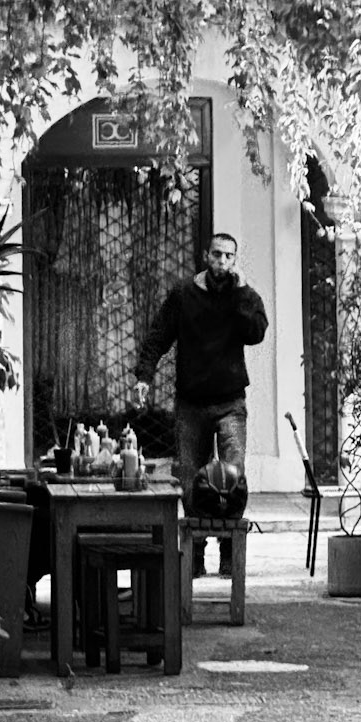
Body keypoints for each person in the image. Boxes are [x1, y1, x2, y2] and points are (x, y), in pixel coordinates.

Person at [131, 233, 268, 560]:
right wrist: (144, 377)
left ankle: (229, 552)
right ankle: (195, 554)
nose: (222, 262)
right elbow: (158, 336)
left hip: (230, 402)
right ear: (207, 256)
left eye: (229, 256)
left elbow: (255, 333)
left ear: (235, 260)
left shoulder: (242, 295)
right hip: (191, 403)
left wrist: (243, 293)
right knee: (191, 479)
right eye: (217, 254)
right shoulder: (183, 294)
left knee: (233, 477)